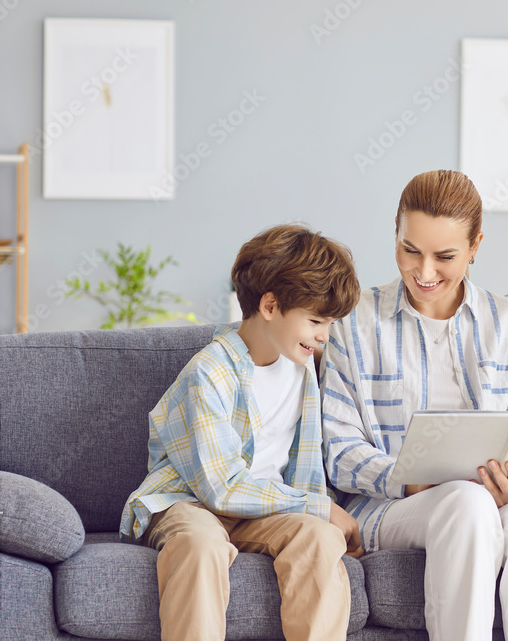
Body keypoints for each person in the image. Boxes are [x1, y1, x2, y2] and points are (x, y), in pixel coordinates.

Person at [320, 170, 508, 641]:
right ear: (396, 233)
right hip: (390, 506)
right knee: (467, 501)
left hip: (493, 499)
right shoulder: (352, 323)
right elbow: (338, 452)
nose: (424, 272)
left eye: (445, 256)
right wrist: (414, 478)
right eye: (410, 250)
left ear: (475, 246)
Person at [120, 224, 363, 641]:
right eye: (315, 321)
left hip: (259, 512)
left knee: (320, 538)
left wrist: (318, 513)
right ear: (270, 305)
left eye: (329, 323)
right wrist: (319, 506)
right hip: (190, 502)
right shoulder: (209, 372)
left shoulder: (303, 370)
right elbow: (221, 489)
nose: (324, 335)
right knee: (201, 545)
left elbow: (303, 470)